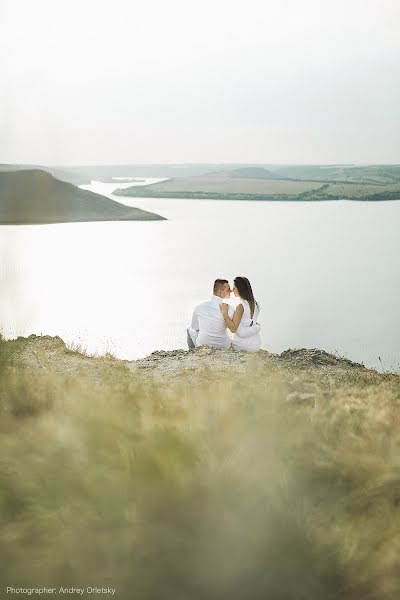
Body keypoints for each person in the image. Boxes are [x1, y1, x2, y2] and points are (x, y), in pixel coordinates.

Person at [187, 279, 233, 350]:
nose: (231, 291)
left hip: (204, 345)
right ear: (220, 292)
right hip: (224, 345)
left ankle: (192, 352)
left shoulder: (199, 306)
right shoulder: (230, 308)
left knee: (189, 329)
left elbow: (195, 327)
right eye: (228, 289)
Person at [219, 276, 261, 352]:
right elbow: (251, 323)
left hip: (242, 346)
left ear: (240, 289)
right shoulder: (257, 304)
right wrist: (258, 327)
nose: (232, 291)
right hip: (256, 344)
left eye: (234, 288)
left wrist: (224, 313)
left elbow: (233, 329)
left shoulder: (241, 306)